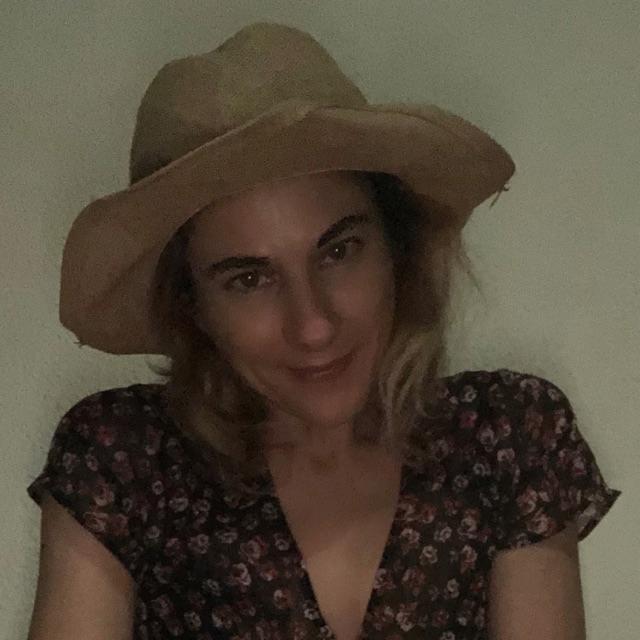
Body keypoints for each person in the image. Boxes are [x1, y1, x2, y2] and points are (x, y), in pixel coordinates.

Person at [26, 22, 621, 640]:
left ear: (396, 250)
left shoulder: (510, 439)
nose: (313, 326)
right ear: (192, 305)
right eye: (249, 280)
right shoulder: (123, 461)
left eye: (339, 252)